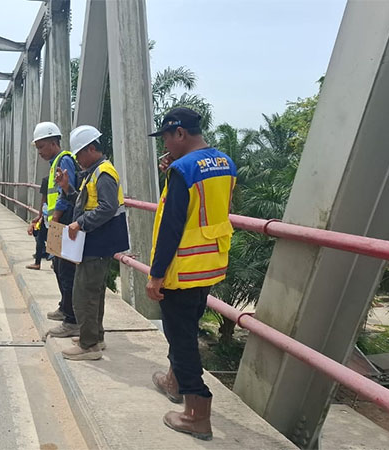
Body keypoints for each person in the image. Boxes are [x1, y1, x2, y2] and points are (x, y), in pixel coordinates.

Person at [146, 107, 237, 441]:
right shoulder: (225, 162)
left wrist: (156, 275)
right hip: (209, 262)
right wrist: (175, 169)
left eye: (168, 138)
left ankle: (196, 414)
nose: (166, 146)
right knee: (186, 328)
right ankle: (173, 381)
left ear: (180, 133)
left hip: (182, 267)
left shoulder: (182, 169)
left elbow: (171, 227)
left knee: (181, 339)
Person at [54, 125, 129, 361]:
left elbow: (106, 207)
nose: (77, 160)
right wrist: (67, 189)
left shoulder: (104, 173)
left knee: (84, 293)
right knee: (93, 292)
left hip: (98, 242)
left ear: (91, 149)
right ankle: (95, 337)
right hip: (95, 242)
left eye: (79, 154)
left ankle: (89, 346)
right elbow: (85, 203)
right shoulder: (94, 173)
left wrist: (80, 223)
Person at [31, 121, 80, 337]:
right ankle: (64, 308)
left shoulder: (64, 160)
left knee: (66, 270)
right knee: (58, 268)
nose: (40, 152)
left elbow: (64, 193)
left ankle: (72, 320)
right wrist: (43, 216)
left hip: (63, 221)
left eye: (41, 147)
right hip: (55, 221)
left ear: (53, 142)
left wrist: (56, 219)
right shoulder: (55, 162)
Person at [26, 176, 49, 270]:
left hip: (48, 213)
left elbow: (43, 199)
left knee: (40, 238)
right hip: (58, 213)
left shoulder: (47, 179)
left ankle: (37, 263)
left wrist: (40, 215)